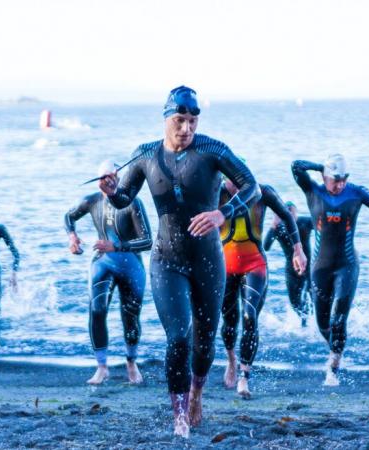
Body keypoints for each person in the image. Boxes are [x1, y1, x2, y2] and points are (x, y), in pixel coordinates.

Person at [99, 86, 260, 438]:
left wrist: (223, 213)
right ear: (166, 118)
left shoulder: (212, 149)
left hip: (208, 261)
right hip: (166, 260)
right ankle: (179, 417)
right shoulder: (145, 155)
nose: (187, 128)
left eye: (192, 121)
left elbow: (252, 186)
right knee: (178, 338)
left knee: (205, 341)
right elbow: (125, 198)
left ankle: (197, 395)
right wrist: (111, 192)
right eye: (179, 120)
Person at [292, 154, 369, 386]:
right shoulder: (314, 191)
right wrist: (319, 166)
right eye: (336, 179)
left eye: (344, 179)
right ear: (325, 176)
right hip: (319, 268)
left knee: (339, 318)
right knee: (322, 322)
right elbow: (296, 167)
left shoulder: (356, 193)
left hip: (347, 266)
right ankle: (336, 349)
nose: (340, 184)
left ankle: (333, 367)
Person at [65, 160, 153, 385]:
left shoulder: (133, 203)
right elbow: (68, 217)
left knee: (130, 317)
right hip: (103, 263)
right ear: (98, 181)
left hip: (131, 265)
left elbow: (148, 241)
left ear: (120, 178)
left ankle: (131, 363)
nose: (109, 182)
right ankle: (101, 367)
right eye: (104, 178)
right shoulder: (92, 201)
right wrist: (72, 237)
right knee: (97, 310)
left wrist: (117, 246)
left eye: (113, 177)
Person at [220, 179, 307, 399]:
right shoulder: (215, 190)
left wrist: (298, 250)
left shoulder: (262, 191)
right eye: (230, 181)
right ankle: (231, 359)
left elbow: (287, 215)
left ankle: (244, 376)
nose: (234, 187)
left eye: (238, 181)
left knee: (250, 318)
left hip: (255, 264)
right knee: (229, 320)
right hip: (225, 266)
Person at [263, 201, 314, 326]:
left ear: (296, 211)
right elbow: (266, 246)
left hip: (308, 269)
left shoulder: (305, 222)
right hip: (291, 270)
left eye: (293, 211)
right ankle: (305, 323)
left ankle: (314, 322)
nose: (291, 215)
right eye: (288, 212)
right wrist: (273, 225)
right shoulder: (278, 228)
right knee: (295, 303)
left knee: (312, 298)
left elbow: (322, 227)